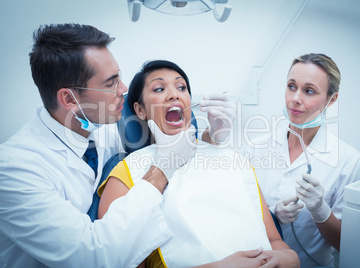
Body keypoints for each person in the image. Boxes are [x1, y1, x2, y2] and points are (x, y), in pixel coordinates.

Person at [0, 23, 235, 267]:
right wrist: (164, 167)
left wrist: (213, 136)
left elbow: (174, 144)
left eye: (119, 77)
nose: (123, 89)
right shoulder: (13, 169)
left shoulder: (101, 127)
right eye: (111, 83)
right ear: (69, 98)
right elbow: (90, 256)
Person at [98, 60, 300, 267]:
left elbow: (275, 240)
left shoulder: (234, 160)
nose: (174, 94)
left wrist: (290, 257)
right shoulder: (127, 172)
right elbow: (114, 259)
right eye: (159, 88)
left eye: (181, 87)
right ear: (140, 110)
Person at [244, 53, 360, 267]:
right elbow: (236, 214)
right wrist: (272, 215)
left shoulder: (348, 160)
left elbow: (348, 246)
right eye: (292, 86)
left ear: (332, 99)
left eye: (309, 91)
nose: (295, 98)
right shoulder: (256, 147)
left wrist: (321, 211)